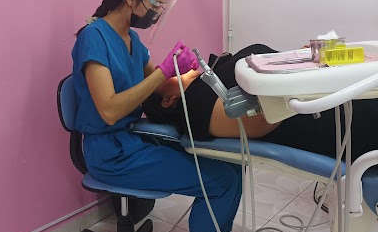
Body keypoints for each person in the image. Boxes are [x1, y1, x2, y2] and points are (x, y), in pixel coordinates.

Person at [71, 0, 267, 232]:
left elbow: (159, 87)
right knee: (218, 180)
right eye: (155, 4)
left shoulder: (131, 40)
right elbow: (110, 111)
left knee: (233, 164)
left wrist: (186, 72)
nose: (157, 12)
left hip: (133, 138)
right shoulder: (94, 37)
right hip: (109, 152)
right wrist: (163, 71)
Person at [142, 44, 378, 163]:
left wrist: (301, 58)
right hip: (346, 124)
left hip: (342, 95)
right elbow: (261, 121)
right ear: (168, 100)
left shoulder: (208, 76)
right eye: (164, 75)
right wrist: (300, 70)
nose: (167, 69)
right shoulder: (194, 108)